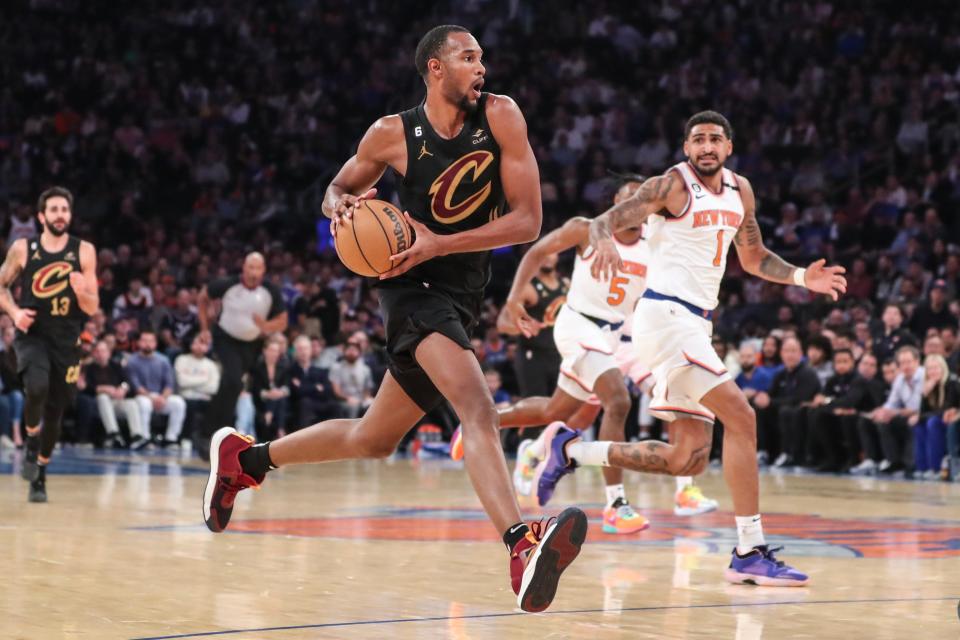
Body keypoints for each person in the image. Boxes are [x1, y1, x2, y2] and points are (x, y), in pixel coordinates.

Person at [201, 25, 586, 613]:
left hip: (461, 288)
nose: (481, 66)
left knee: (373, 438)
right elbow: (337, 188)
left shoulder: (503, 116)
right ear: (435, 68)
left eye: (481, 56)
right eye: (468, 56)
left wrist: (442, 242)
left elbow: (528, 221)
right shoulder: (391, 134)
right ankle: (519, 543)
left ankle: (246, 460)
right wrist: (340, 208)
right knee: (476, 408)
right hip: (409, 288)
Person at [538, 111, 846, 586]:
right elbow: (613, 217)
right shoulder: (671, 185)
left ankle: (573, 451)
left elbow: (754, 257)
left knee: (688, 458)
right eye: (697, 139)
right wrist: (601, 236)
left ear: (729, 146)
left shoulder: (741, 191)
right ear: (686, 148)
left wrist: (805, 277)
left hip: (695, 325)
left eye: (715, 139)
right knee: (742, 417)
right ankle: (749, 549)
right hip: (666, 317)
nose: (706, 146)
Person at [468, 175, 717, 531]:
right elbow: (537, 251)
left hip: (621, 337)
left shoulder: (657, 243)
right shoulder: (586, 230)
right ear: (613, 205)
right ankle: (615, 505)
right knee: (618, 401)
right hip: (578, 325)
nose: (630, 207)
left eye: (638, 199)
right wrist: (512, 300)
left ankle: (489, 424)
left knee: (559, 410)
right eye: (623, 199)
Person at [0, 187, 98, 502]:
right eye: (54, 210)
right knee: (36, 387)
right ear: (42, 216)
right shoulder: (22, 248)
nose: (60, 215)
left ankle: (40, 473)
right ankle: (30, 439)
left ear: (70, 215)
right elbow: (1, 284)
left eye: (64, 210)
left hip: (67, 339)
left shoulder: (84, 251)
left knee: (55, 411)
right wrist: (15, 313)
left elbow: (91, 308)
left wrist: (82, 291)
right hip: (33, 333)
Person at [196, 252, 287, 457]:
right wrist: (204, 327)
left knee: (235, 386)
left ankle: (216, 435)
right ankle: (213, 433)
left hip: (252, 344)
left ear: (263, 270)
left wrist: (266, 325)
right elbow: (203, 296)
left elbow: (283, 320)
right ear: (243, 268)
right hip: (226, 338)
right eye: (250, 268)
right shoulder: (227, 284)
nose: (253, 273)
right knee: (234, 381)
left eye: (258, 268)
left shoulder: (270, 291)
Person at [511, 251, 567, 401]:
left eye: (552, 252)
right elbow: (502, 323)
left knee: (561, 409)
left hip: (559, 354)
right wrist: (523, 324)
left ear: (558, 256)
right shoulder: (528, 288)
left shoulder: (566, 285)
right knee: (536, 408)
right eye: (544, 253)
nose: (548, 256)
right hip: (533, 356)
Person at [126, 330, 187, 449]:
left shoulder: (163, 360)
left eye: (151, 341)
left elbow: (169, 384)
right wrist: (152, 398)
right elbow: (136, 386)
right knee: (145, 404)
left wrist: (163, 398)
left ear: (155, 343)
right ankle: (145, 438)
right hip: (141, 396)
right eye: (144, 341)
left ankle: (171, 438)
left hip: (161, 397)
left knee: (179, 403)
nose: (147, 344)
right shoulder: (132, 361)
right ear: (138, 342)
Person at [869, 345, 924, 475]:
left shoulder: (923, 375)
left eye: (909, 362)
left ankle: (910, 464)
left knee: (912, 421)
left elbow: (917, 406)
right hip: (906, 414)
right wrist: (882, 411)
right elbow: (891, 403)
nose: (906, 366)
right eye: (902, 363)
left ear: (917, 361)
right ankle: (893, 462)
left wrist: (895, 412)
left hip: (923, 413)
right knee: (882, 421)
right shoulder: (900, 379)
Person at [84, 339, 143, 449]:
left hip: (116, 401)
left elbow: (127, 382)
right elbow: (85, 388)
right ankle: (113, 434)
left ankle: (137, 436)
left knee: (131, 403)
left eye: (103, 351)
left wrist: (123, 388)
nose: (100, 354)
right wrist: (102, 388)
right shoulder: (88, 368)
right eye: (97, 351)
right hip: (97, 403)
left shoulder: (116, 366)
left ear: (109, 353)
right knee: (103, 397)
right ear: (93, 353)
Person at [909, 354, 960, 479]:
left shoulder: (951, 382)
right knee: (919, 426)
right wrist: (924, 394)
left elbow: (945, 409)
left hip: (949, 419)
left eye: (936, 368)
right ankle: (922, 467)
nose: (933, 371)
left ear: (943, 368)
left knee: (932, 423)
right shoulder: (929, 385)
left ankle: (936, 468)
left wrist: (920, 417)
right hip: (938, 418)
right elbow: (923, 412)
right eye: (930, 369)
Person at [175, 334, 221, 447]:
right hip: (186, 397)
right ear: (191, 345)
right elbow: (181, 382)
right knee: (190, 405)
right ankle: (186, 438)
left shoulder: (211, 365)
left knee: (219, 406)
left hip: (205, 399)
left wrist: (191, 383)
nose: (199, 346)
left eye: (203, 344)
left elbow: (213, 388)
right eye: (196, 343)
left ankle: (209, 440)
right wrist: (204, 379)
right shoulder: (181, 360)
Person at [288, 335, 338, 427]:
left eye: (306, 348)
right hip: (300, 406)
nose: (303, 352)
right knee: (305, 402)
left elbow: (328, 390)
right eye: (300, 349)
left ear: (310, 350)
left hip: (319, 403)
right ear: (295, 351)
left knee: (334, 405)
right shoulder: (291, 371)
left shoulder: (320, 370)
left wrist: (304, 387)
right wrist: (316, 387)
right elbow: (297, 392)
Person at [250, 336, 291, 441]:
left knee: (281, 399)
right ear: (265, 351)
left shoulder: (284, 367)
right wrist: (268, 394)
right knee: (278, 399)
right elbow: (256, 388)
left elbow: (287, 386)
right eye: (272, 350)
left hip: (280, 399)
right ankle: (281, 430)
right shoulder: (258, 367)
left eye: (277, 351)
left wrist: (280, 392)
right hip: (262, 401)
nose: (274, 353)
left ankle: (270, 414)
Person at [328, 339, 373, 419]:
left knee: (373, 405)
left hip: (361, 400)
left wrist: (366, 398)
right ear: (344, 351)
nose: (351, 352)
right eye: (349, 349)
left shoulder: (365, 369)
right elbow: (337, 391)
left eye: (354, 350)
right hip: (344, 400)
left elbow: (367, 390)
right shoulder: (337, 368)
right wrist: (348, 398)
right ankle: (352, 431)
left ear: (359, 353)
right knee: (353, 406)